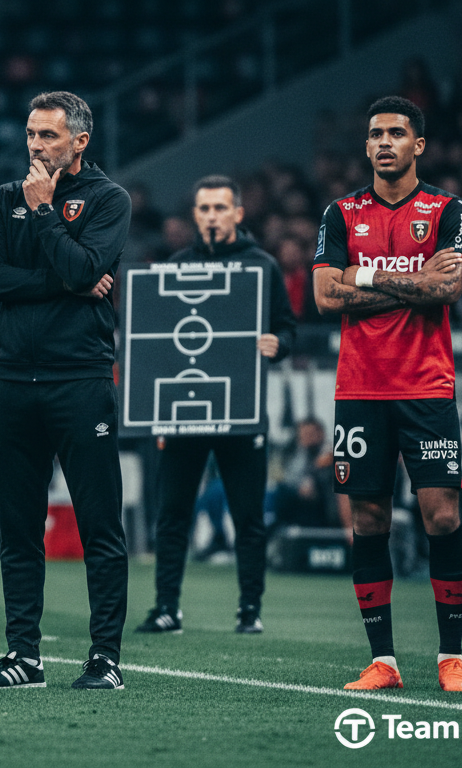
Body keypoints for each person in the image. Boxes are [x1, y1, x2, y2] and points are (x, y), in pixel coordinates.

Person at [312, 96, 462, 692]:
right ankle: (383, 661)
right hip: (359, 388)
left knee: (443, 516)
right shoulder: (340, 213)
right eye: (376, 134)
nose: (385, 142)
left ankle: (451, 658)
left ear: (418, 145)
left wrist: (362, 275)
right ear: (367, 146)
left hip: (426, 386)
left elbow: (448, 289)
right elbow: (325, 298)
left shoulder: (447, 209)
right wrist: (412, 280)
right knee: (369, 519)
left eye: (397, 133)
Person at [0, 91, 131, 690]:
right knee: (18, 529)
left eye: (49, 136)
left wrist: (44, 214)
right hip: (12, 382)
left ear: (80, 141)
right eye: (31, 134)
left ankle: (105, 658)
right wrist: (66, 281)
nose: (35, 146)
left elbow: (86, 269)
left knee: (99, 527)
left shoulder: (109, 199)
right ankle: (24, 656)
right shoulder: (2, 198)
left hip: (80, 381)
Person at [134, 175, 297, 636]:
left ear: (238, 214)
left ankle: (250, 610)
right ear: (195, 215)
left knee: (248, 515)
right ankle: (167, 608)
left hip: (241, 410)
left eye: (220, 208)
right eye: (204, 208)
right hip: (185, 410)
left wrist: (278, 344)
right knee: (172, 513)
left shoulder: (262, 266)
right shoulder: (176, 265)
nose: (211, 216)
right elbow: (161, 338)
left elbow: (287, 327)